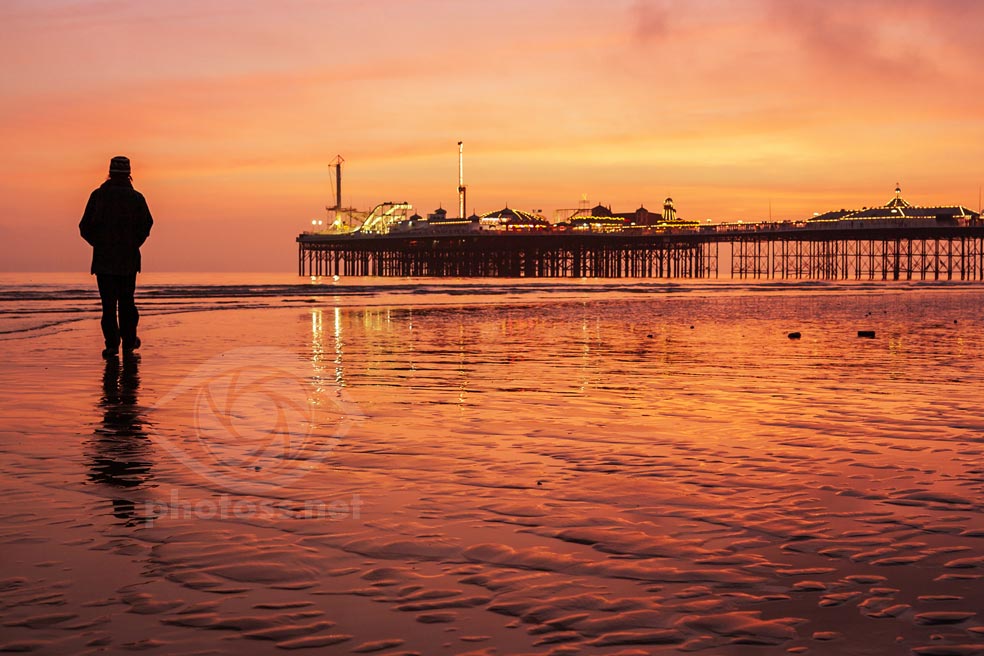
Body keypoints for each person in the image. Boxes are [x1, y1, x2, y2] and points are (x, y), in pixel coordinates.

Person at [79, 156, 154, 359]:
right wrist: (133, 243)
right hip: (128, 260)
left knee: (109, 306)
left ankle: (112, 345)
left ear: (110, 173)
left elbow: (84, 227)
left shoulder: (98, 195)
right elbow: (147, 225)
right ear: (129, 175)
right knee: (127, 302)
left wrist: (100, 244)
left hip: (104, 261)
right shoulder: (137, 198)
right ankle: (129, 342)